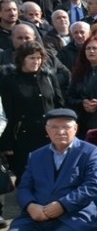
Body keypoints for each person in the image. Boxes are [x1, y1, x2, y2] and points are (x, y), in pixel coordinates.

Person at [0, 41, 66, 178]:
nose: (36, 61)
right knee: (27, 177)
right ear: (22, 59)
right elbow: (6, 113)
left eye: (38, 58)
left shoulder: (48, 77)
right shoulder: (10, 80)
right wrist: (6, 143)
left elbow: (59, 105)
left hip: (50, 136)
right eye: (31, 58)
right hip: (24, 138)